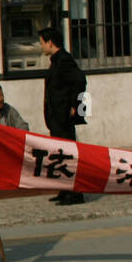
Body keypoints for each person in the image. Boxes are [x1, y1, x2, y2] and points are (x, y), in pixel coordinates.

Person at [39, 26, 88, 206]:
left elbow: (80, 80)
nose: (41, 46)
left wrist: (76, 106)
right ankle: (64, 190)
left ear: (50, 42)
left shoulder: (65, 60)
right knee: (59, 154)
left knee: (67, 154)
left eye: (42, 43)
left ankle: (75, 193)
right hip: (56, 117)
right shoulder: (56, 60)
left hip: (63, 117)